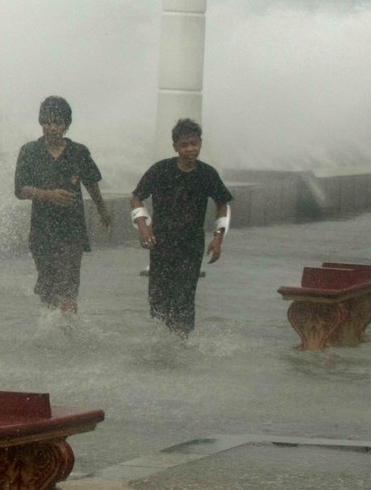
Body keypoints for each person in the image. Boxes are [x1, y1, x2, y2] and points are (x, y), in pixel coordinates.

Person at [130, 118, 232, 338]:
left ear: (200, 143)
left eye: (194, 144)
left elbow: (222, 204)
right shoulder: (160, 170)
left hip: (191, 245)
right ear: (175, 146)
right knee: (158, 297)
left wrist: (218, 238)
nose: (190, 149)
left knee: (184, 296)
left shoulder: (207, 174)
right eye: (184, 145)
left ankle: (181, 344)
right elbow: (137, 197)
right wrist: (143, 228)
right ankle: (162, 342)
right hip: (161, 243)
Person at [14, 96, 111, 313]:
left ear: (66, 124)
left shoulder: (78, 152)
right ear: (41, 123)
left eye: (58, 123)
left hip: (72, 228)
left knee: (68, 287)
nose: (52, 128)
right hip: (42, 229)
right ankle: (50, 328)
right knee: (48, 288)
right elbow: (20, 190)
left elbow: (91, 182)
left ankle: (68, 330)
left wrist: (102, 208)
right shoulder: (30, 151)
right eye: (47, 123)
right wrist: (47, 194)